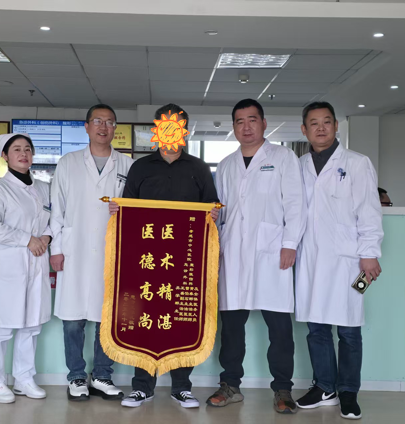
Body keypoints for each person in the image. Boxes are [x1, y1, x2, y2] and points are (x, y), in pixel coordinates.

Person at [109, 103, 219, 409]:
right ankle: (142, 387)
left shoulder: (198, 168)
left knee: (183, 320)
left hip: (186, 258)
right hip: (147, 259)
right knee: (145, 319)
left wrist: (212, 212)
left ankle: (181, 387)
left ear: (185, 131)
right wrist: (118, 209)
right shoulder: (141, 167)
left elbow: (211, 206)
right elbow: (128, 208)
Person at [207, 99, 307, 414]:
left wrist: (290, 243)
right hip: (233, 253)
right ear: (233, 127)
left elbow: (296, 204)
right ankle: (230, 384)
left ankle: (282, 389)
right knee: (231, 326)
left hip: (273, 251)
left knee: (279, 327)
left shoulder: (283, 157)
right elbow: (221, 209)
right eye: (240, 121)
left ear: (264, 123)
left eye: (252, 119)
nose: (246, 127)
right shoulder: (226, 164)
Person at [295, 102, 383, 420]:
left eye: (327, 122)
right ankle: (324, 387)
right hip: (310, 259)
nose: (321, 128)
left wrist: (370, 253)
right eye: (314, 123)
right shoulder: (299, 165)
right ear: (304, 130)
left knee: (349, 330)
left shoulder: (357, 163)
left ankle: (347, 391)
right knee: (316, 328)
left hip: (351, 261)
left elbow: (369, 211)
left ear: (335, 126)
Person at [50, 104, 132, 402]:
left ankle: (102, 375)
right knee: (73, 320)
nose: (103, 127)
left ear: (115, 129)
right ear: (86, 127)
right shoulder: (68, 162)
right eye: (98, 121)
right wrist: (56, 248)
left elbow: (139, 209)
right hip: (74, 249)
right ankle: (76, 377)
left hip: (112, 252)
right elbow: (57, 208)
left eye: (109, 122)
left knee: (106, 317)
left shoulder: (127, 165)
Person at [0, 133, 52, 404]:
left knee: (31, 325)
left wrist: (46, 237)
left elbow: (54, 220)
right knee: (2, 327)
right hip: (12, 265)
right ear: (5, 156)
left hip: (38, 261)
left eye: (28, 149)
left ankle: (24, 378)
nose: (23, 154)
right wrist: (27, 240)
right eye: (17, 149)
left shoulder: (44, 188)